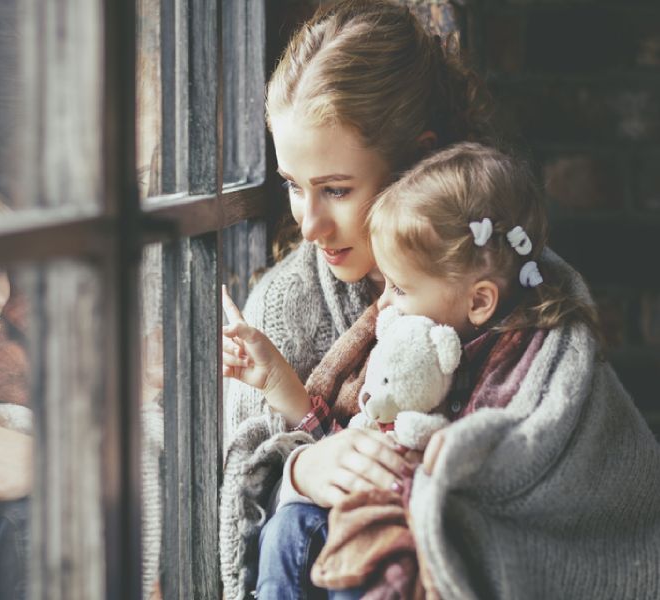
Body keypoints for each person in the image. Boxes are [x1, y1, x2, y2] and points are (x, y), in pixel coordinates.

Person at [225, 141, 605, 597]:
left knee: (375, 564)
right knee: (289, 526)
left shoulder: (524, 364)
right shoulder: (404, 345)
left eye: (399, 288)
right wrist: (276, 384)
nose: (382, 303)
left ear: (480, 300)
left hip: (433, 535)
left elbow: (512, 473)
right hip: (376, 506)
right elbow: (356, 444)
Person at [219, 1, 496, 598]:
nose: (310, 224)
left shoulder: (506, 280)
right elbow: (231, 491)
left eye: (337, 190)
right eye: (293, 186)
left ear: (415, 161)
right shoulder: (279, 306)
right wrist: (299, 471)